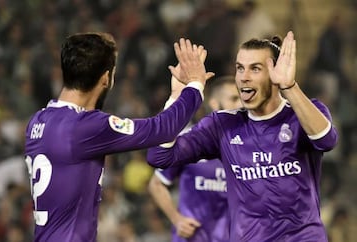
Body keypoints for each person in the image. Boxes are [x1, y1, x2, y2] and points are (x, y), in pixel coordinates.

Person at [147, 31, 338, 241]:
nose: (244, 76)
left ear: (274, 74)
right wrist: (177, 100)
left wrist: (290, 87)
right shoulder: (222, 125)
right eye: (240, 68)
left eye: (255, 68)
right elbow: (159, 157)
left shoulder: (303, 113)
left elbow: (326, 140)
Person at [24, 32, 214, 242]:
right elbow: (161, 130)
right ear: (106, 78)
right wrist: (195, 85)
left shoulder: (38, 120)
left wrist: (176, 96)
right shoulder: (84, 127)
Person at [148, 75, 241, 242]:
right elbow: (156, 184)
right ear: (214, 103)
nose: (240, 105)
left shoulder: (249, 145)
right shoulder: (190, 141)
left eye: (242, 98)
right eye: (234, 99)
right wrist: (176, 219)